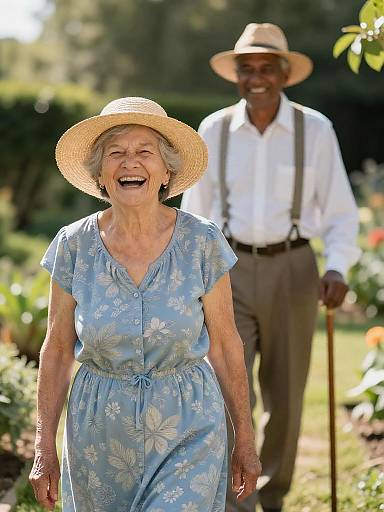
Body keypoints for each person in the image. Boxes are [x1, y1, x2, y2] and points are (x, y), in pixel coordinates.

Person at [29, 96, 261, 511]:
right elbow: (58, 348)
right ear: (100, 173)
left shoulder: (202, 242)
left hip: (188, 425)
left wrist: (245, 438)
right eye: (115, 153)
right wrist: (43, 446)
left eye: (144, 152)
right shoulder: (73, 245)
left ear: (166, 170)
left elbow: (226, 345)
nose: (129, 163)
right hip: (98, 432)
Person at [181, 23, 361, 512]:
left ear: (284, 74)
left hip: (296, 269)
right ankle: (234, 499)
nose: (256, 77)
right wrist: (197, 280)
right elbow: (197, 215)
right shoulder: (213, 130)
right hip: (228, 270)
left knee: (285, 397)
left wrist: (338, 268)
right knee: (227, 389)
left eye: (266, 68)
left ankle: (274, 496)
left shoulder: (316, 130)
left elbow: (342, 214)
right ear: (236, 75)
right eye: (247, 69)